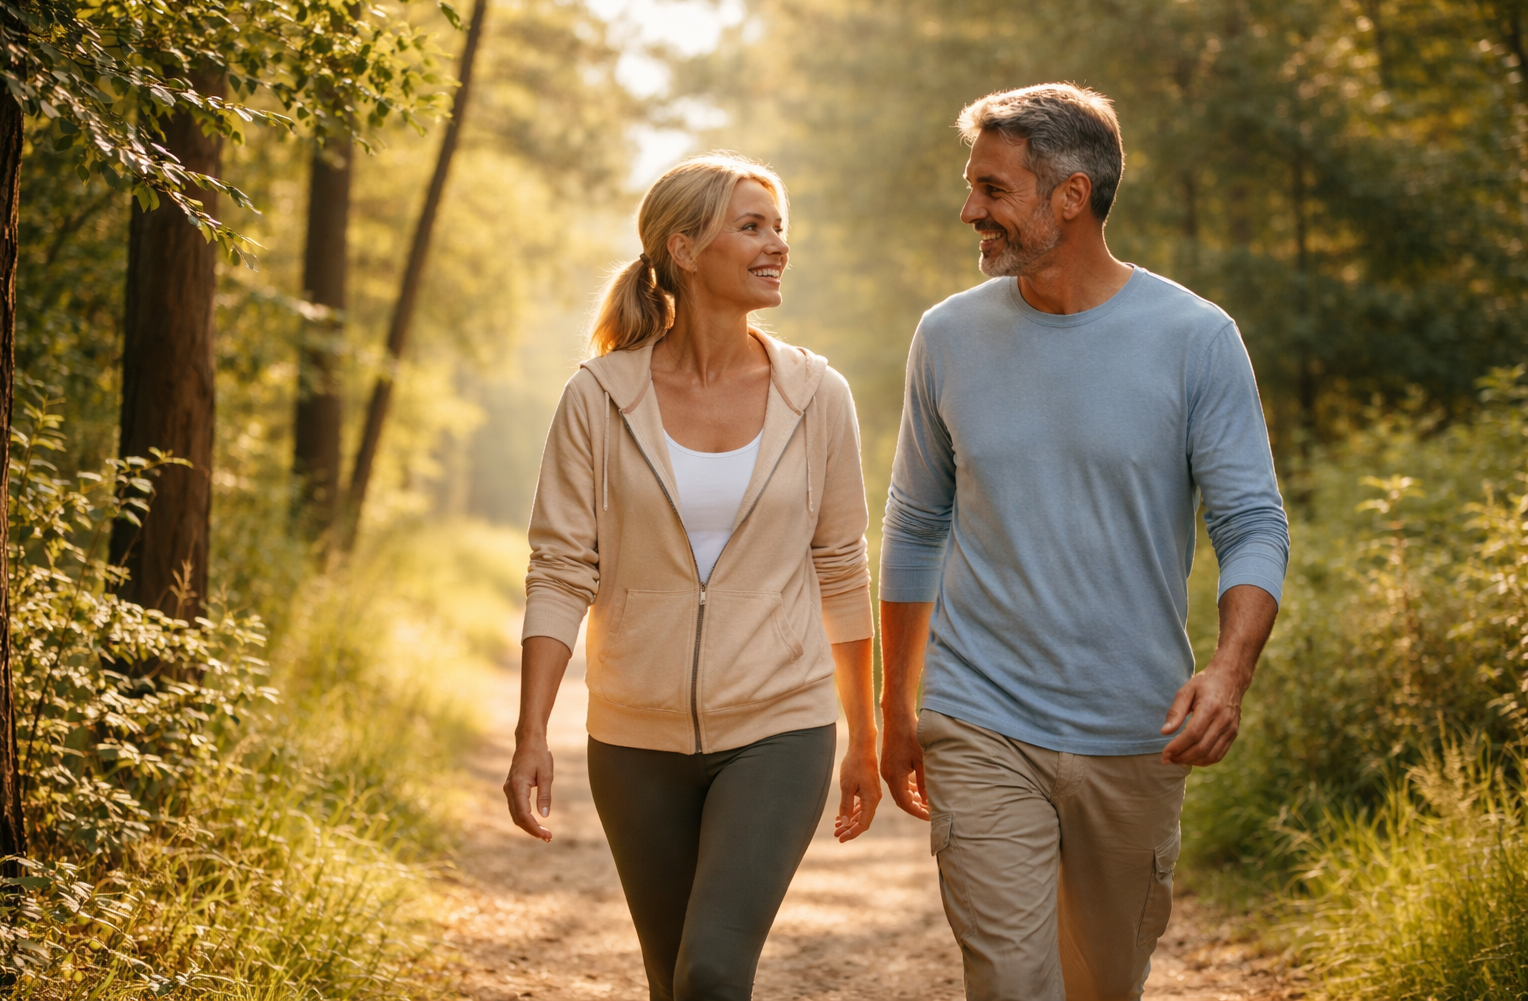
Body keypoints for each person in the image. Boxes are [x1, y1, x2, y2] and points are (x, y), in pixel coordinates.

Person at [877, 84, 1291, 1000]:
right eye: (970, 185)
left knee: (1104, 983)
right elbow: (913, 524)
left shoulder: (1195, 338)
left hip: (1134, 728)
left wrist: (1229, 672)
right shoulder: (946, 337)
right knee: (1014, 984)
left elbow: (1252, 521)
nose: (969, 208)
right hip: (980, 715)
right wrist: (897, 706)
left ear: (1070, 195)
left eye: (992, 188)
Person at [505, 153, 881, 1001]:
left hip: (780, 727)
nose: (776, 245)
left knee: (713, 971)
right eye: (751, 227)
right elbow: (561, 567)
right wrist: (532, 732)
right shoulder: (600, 398)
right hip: (633, 738)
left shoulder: (817, 395)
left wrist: (867, 732)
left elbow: (842, 568)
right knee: (673, 978)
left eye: (779, 227)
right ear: (682, 247)